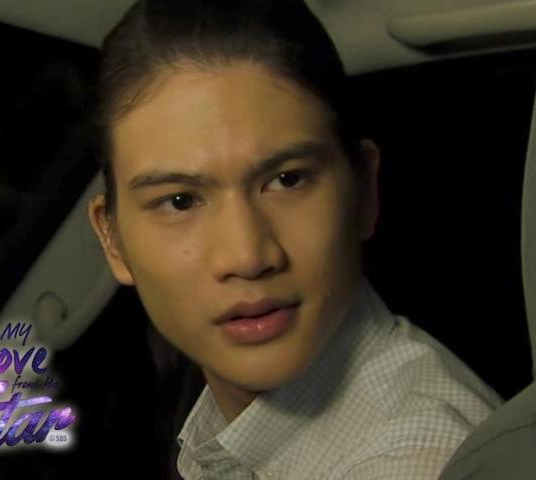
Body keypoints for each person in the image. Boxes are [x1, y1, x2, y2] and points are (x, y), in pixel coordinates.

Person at [87, 0, 503, 478]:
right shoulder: (229, 428)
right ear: (112, 239)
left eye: (287, 180)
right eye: (180, 202)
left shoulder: (410, 461)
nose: (247, 255)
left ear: (364, 192)